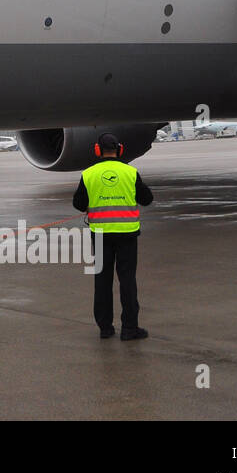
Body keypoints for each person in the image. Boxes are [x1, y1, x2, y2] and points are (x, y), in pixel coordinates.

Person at [74, 133, 153, 340]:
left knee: (102, 281)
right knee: (127, 281)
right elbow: (147, 199)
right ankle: (129, 329)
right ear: (120, 149)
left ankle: (105, 328)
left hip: (100, 236)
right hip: (127, 235)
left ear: (97, 150)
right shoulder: (130, 172)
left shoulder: (89, 174)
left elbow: (78, 204)